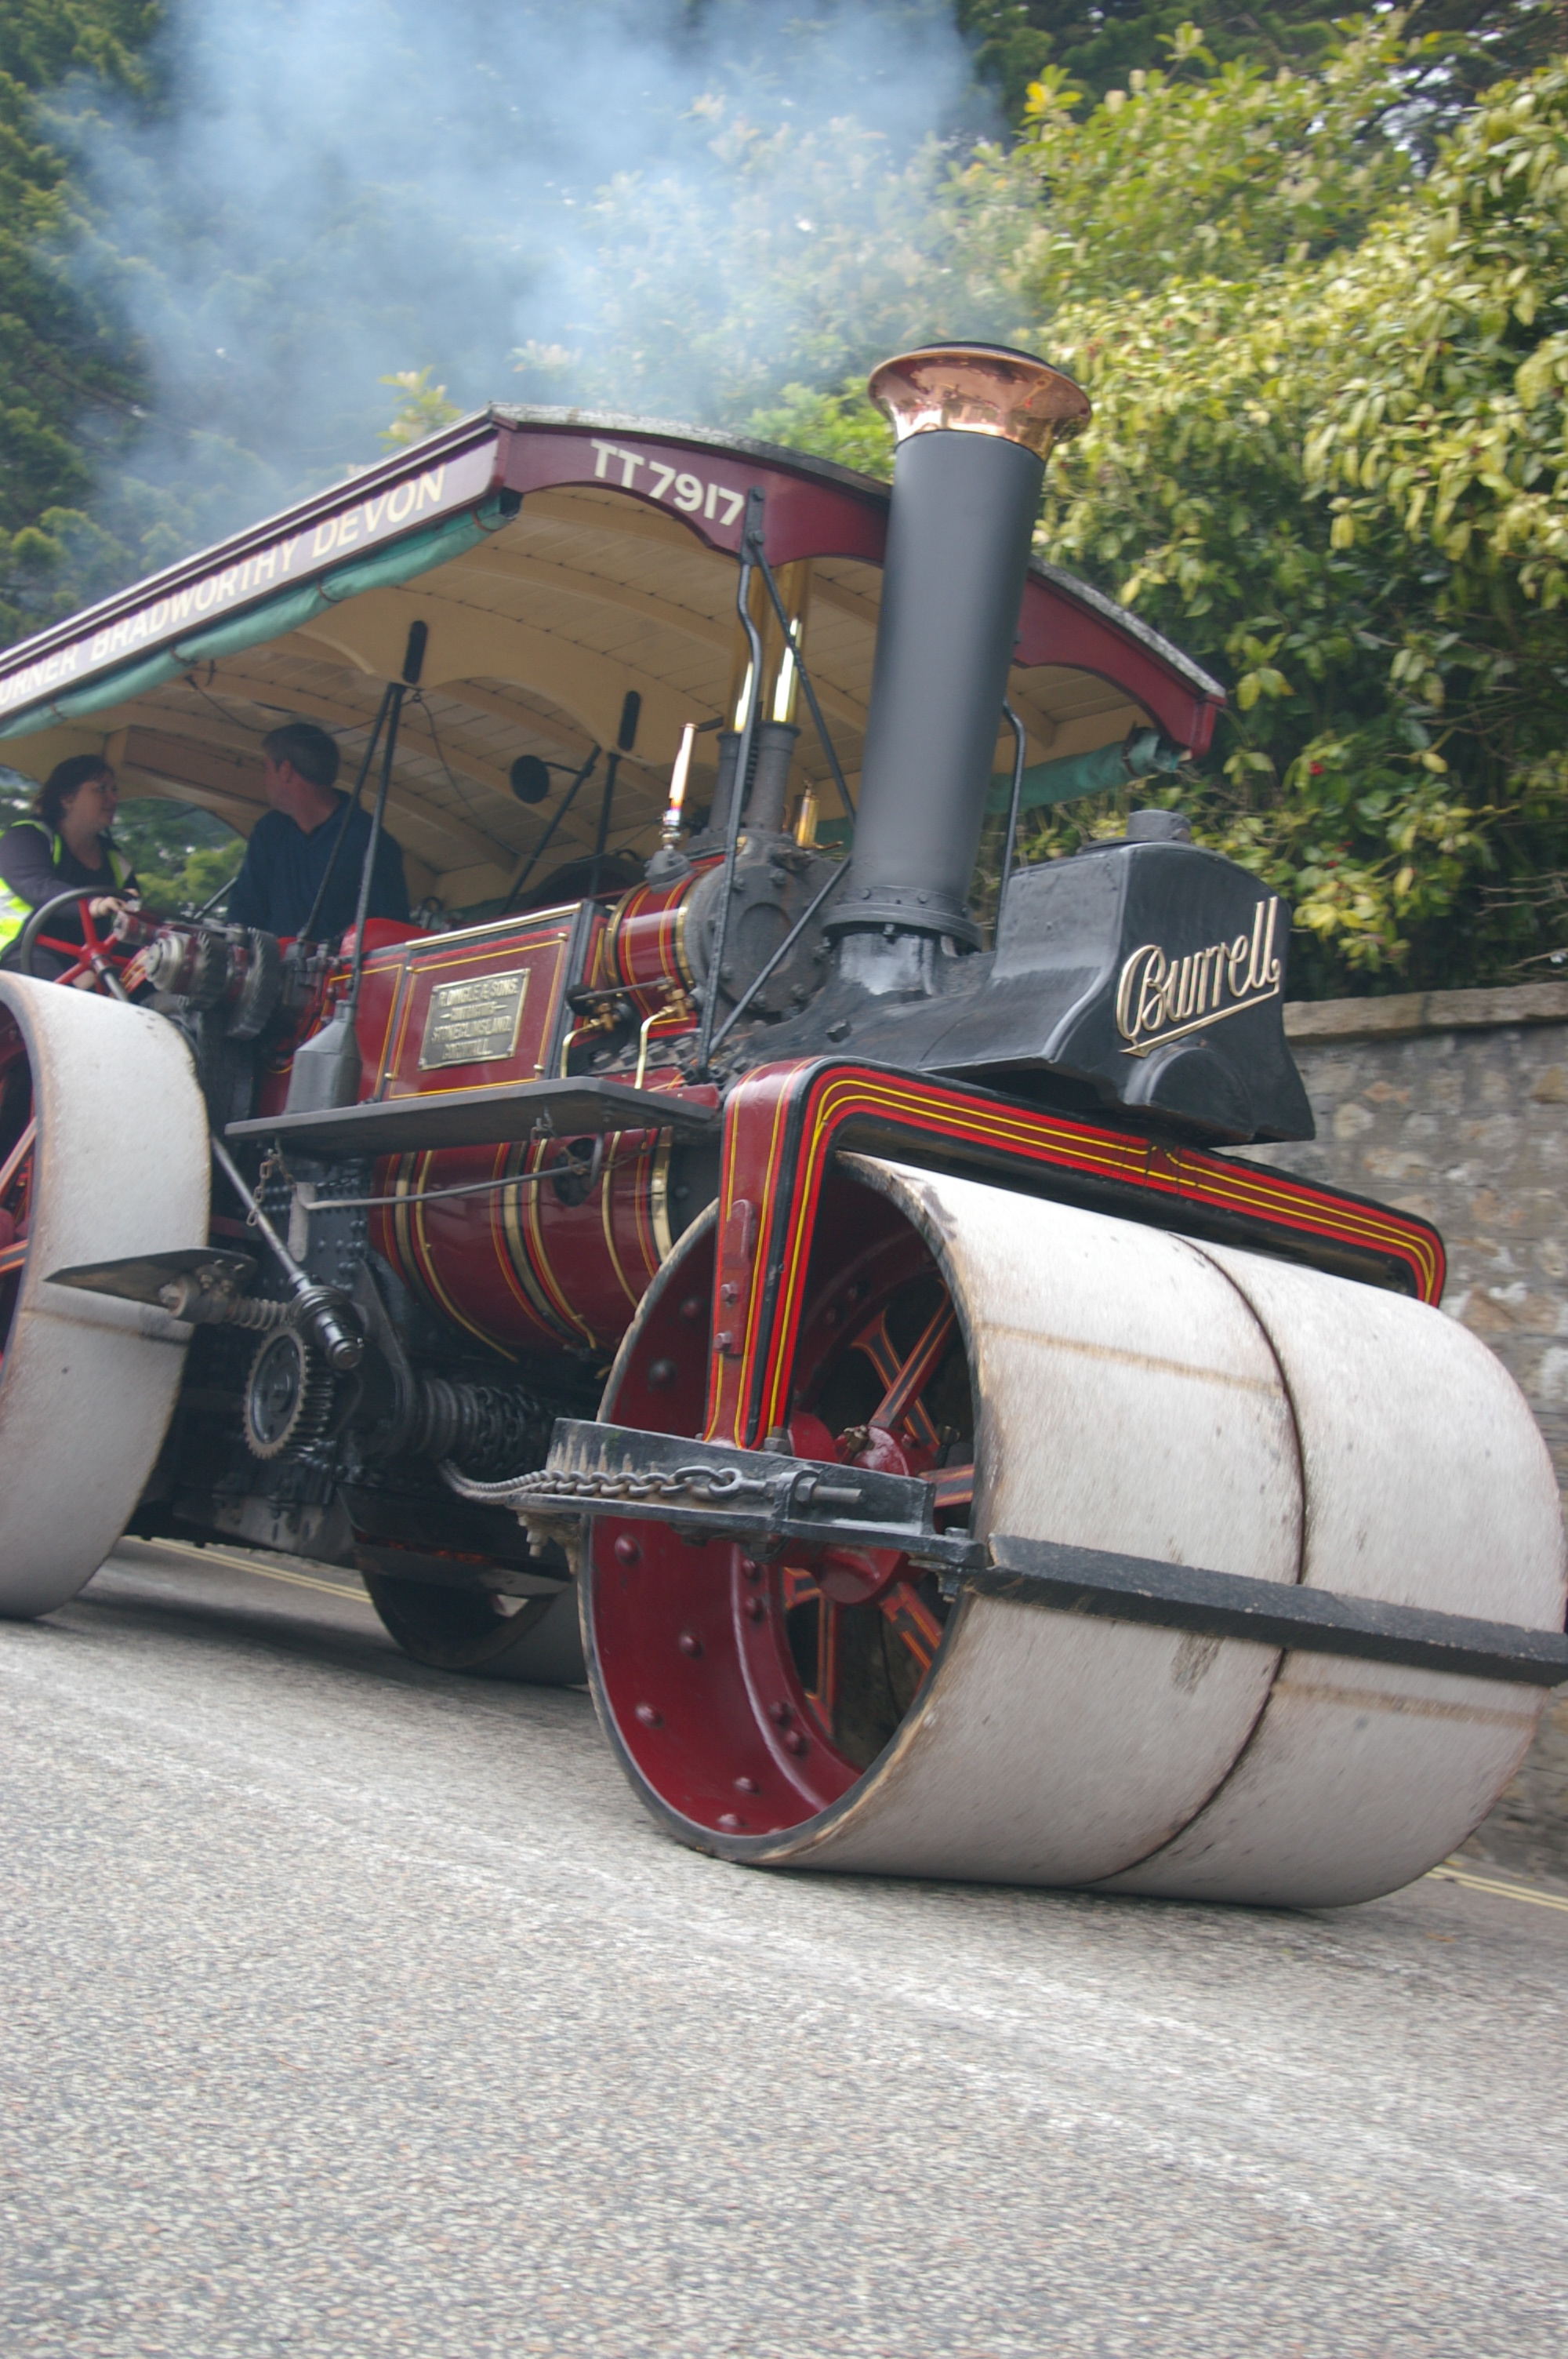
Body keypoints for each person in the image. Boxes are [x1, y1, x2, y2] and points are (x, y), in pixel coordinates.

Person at [225, 720, 409, 941]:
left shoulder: (371, 843)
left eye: (266, 769)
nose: (264, 780)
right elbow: (244, 912)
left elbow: (390, 933)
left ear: (286, 770)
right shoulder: (270, 831)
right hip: (270, 971)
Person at [0, 757, 138, 978]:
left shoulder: (116, 860)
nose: (113, 798)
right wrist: (95, 905)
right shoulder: (25, 837)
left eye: (114, 789)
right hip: (18, 953)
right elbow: (38, 887)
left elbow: (135, 920)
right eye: (100, 789)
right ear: (67, 799)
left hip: (86, 962)